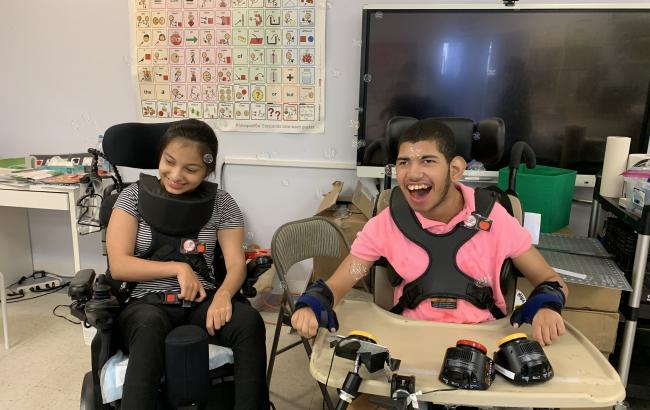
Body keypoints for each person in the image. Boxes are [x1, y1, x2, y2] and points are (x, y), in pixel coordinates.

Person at [291, 119, 569, 409]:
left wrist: (548, 306)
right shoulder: (385, 225)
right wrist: (315, 302)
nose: (413, 173)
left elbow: (549, 279)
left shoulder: (494, 219)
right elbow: (343, 280)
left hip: (479, 350)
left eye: (427, 160)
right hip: (410, 345)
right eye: (403, 162)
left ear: (455, 169)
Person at [106, 119, 269, 410]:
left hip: (201, 301)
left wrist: (222, 296)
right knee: (149, 327)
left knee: (248, 323)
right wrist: (179, 268)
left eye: (191, 169)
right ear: (160, 156)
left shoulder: (222, 203)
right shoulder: (131, 197)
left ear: (208, 169)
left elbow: (235, 265)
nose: (176, 175)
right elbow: (119, 265)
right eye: (169, 162)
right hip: (146, 301)